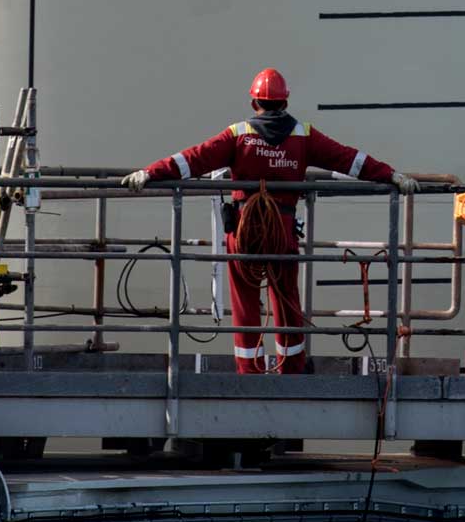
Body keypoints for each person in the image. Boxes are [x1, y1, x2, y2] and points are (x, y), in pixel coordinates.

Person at [121, 68, 428, 374]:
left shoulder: (238, 135)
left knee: (244, 303)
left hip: (244, 232)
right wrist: (391, 175)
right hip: (282, 231)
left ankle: (249, 371)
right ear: (285, 101)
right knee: (286, 300)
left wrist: (150, 173)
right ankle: (291, 369)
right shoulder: (304, 136)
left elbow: (192, 159)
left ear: (254, 101)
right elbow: (350, 160)